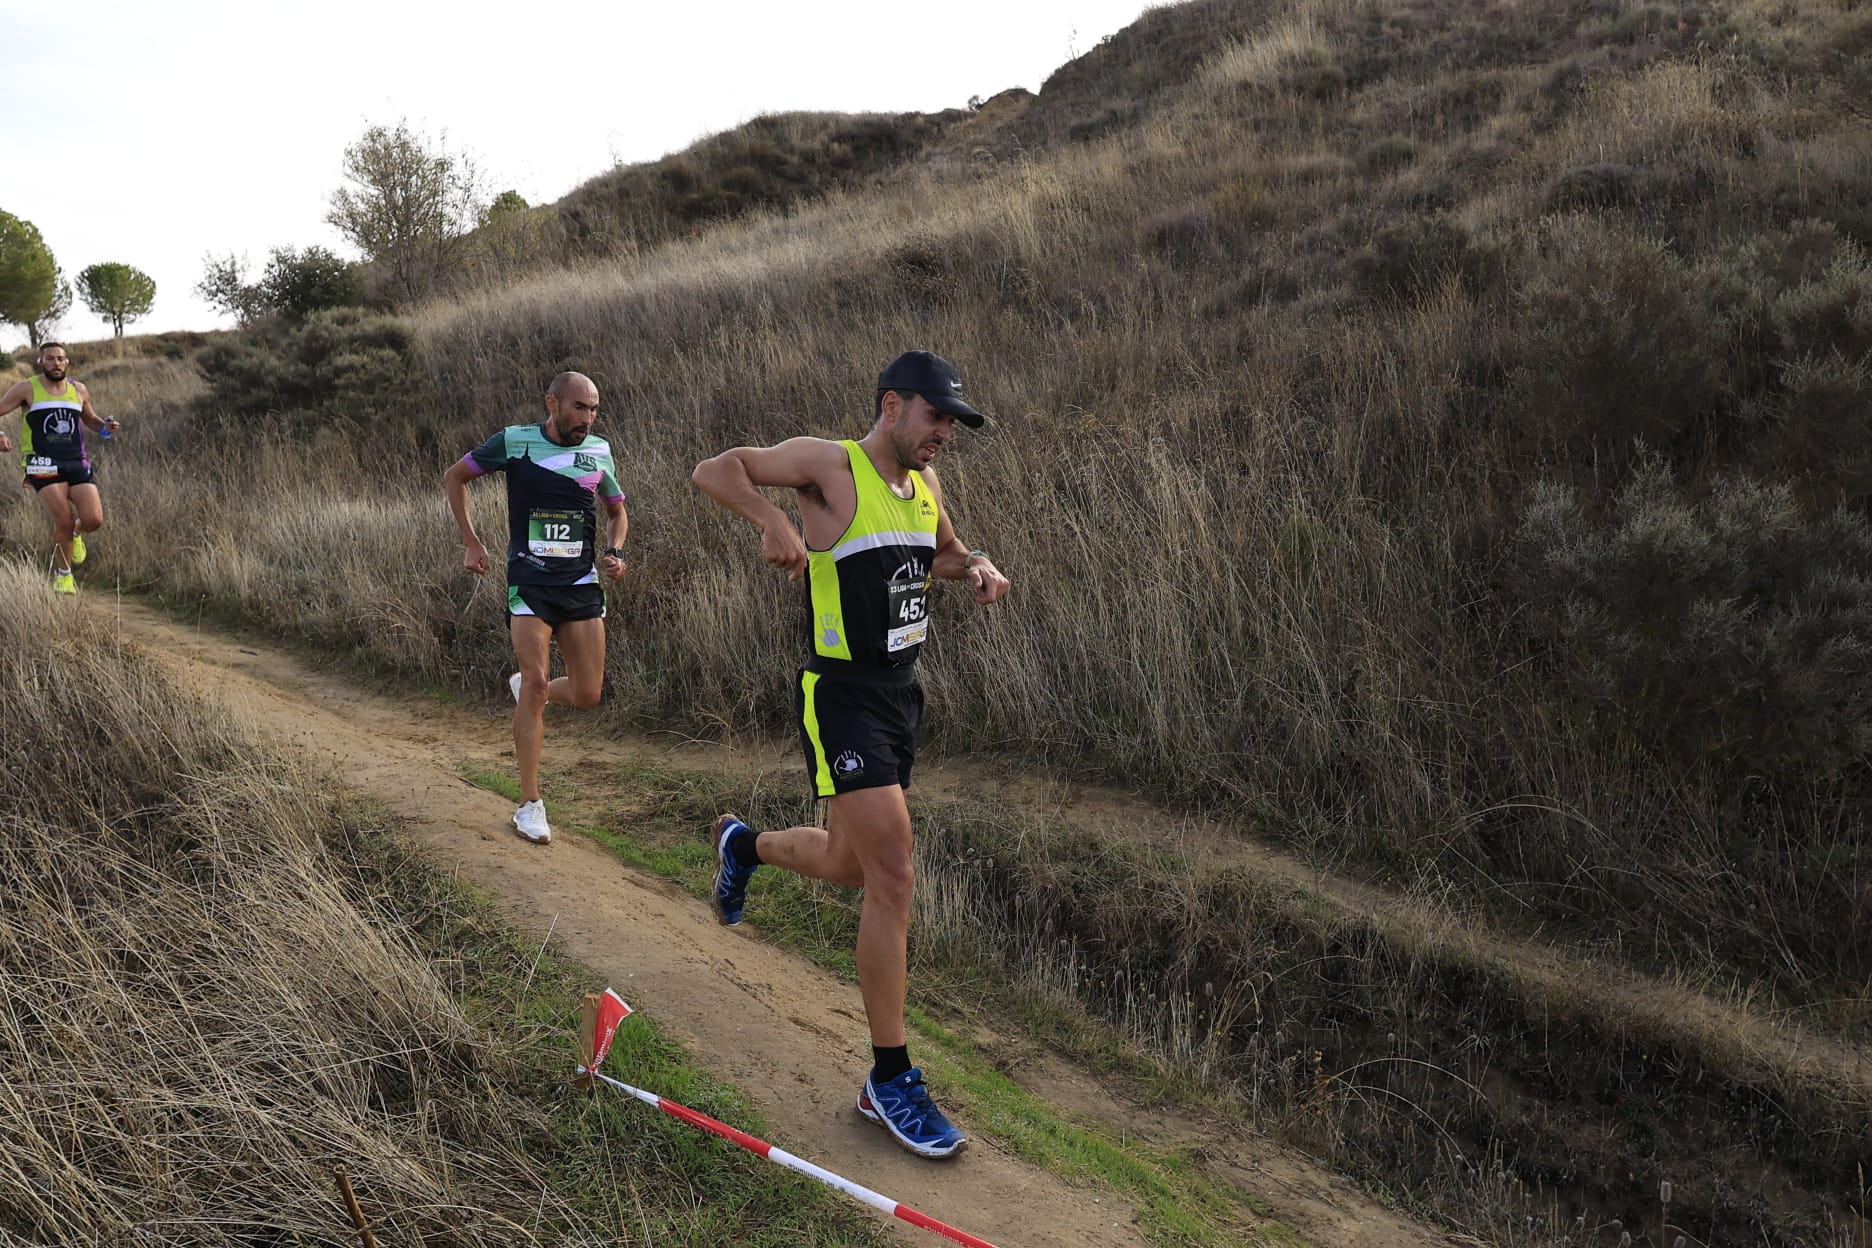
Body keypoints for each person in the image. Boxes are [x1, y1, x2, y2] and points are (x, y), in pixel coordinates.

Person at [691, 349, 1010, 1160]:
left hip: (902, 696)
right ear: (893, 404)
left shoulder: (925, 487)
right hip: (842, 697)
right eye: (936, 417)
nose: (945, 434)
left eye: (953, 423)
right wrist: (773, 523)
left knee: (847, 863)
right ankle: (888, 1080)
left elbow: (936, 553)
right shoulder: (830, 467)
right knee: (893, 871)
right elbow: (716, 469)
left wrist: (972, 563)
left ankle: (744, 845)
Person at [443, 371, 628, 845]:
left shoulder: (599, 451)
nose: (587, 418)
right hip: (529, 583)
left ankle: (529, 689)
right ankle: (529, 804)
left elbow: (616, 510)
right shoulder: (514, 442)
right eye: (578, 408)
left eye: (594, 409)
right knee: (538, 682)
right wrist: (471, 541)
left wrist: (616, 550)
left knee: (588, 693)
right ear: (552, 403)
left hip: (582, 584)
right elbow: (456, 477)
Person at [0, 343, 121, 593]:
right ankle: (64, 576)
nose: (56, 363)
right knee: (63, 520)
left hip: (77, 461)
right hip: (42, 462)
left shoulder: (79, 390)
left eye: (61, 359)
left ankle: (78, 533)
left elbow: (90, 419)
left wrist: (105, 427)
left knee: (94, 519)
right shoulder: (27, 388)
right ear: (41, 361)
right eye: (50, 358)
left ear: (67, 362)